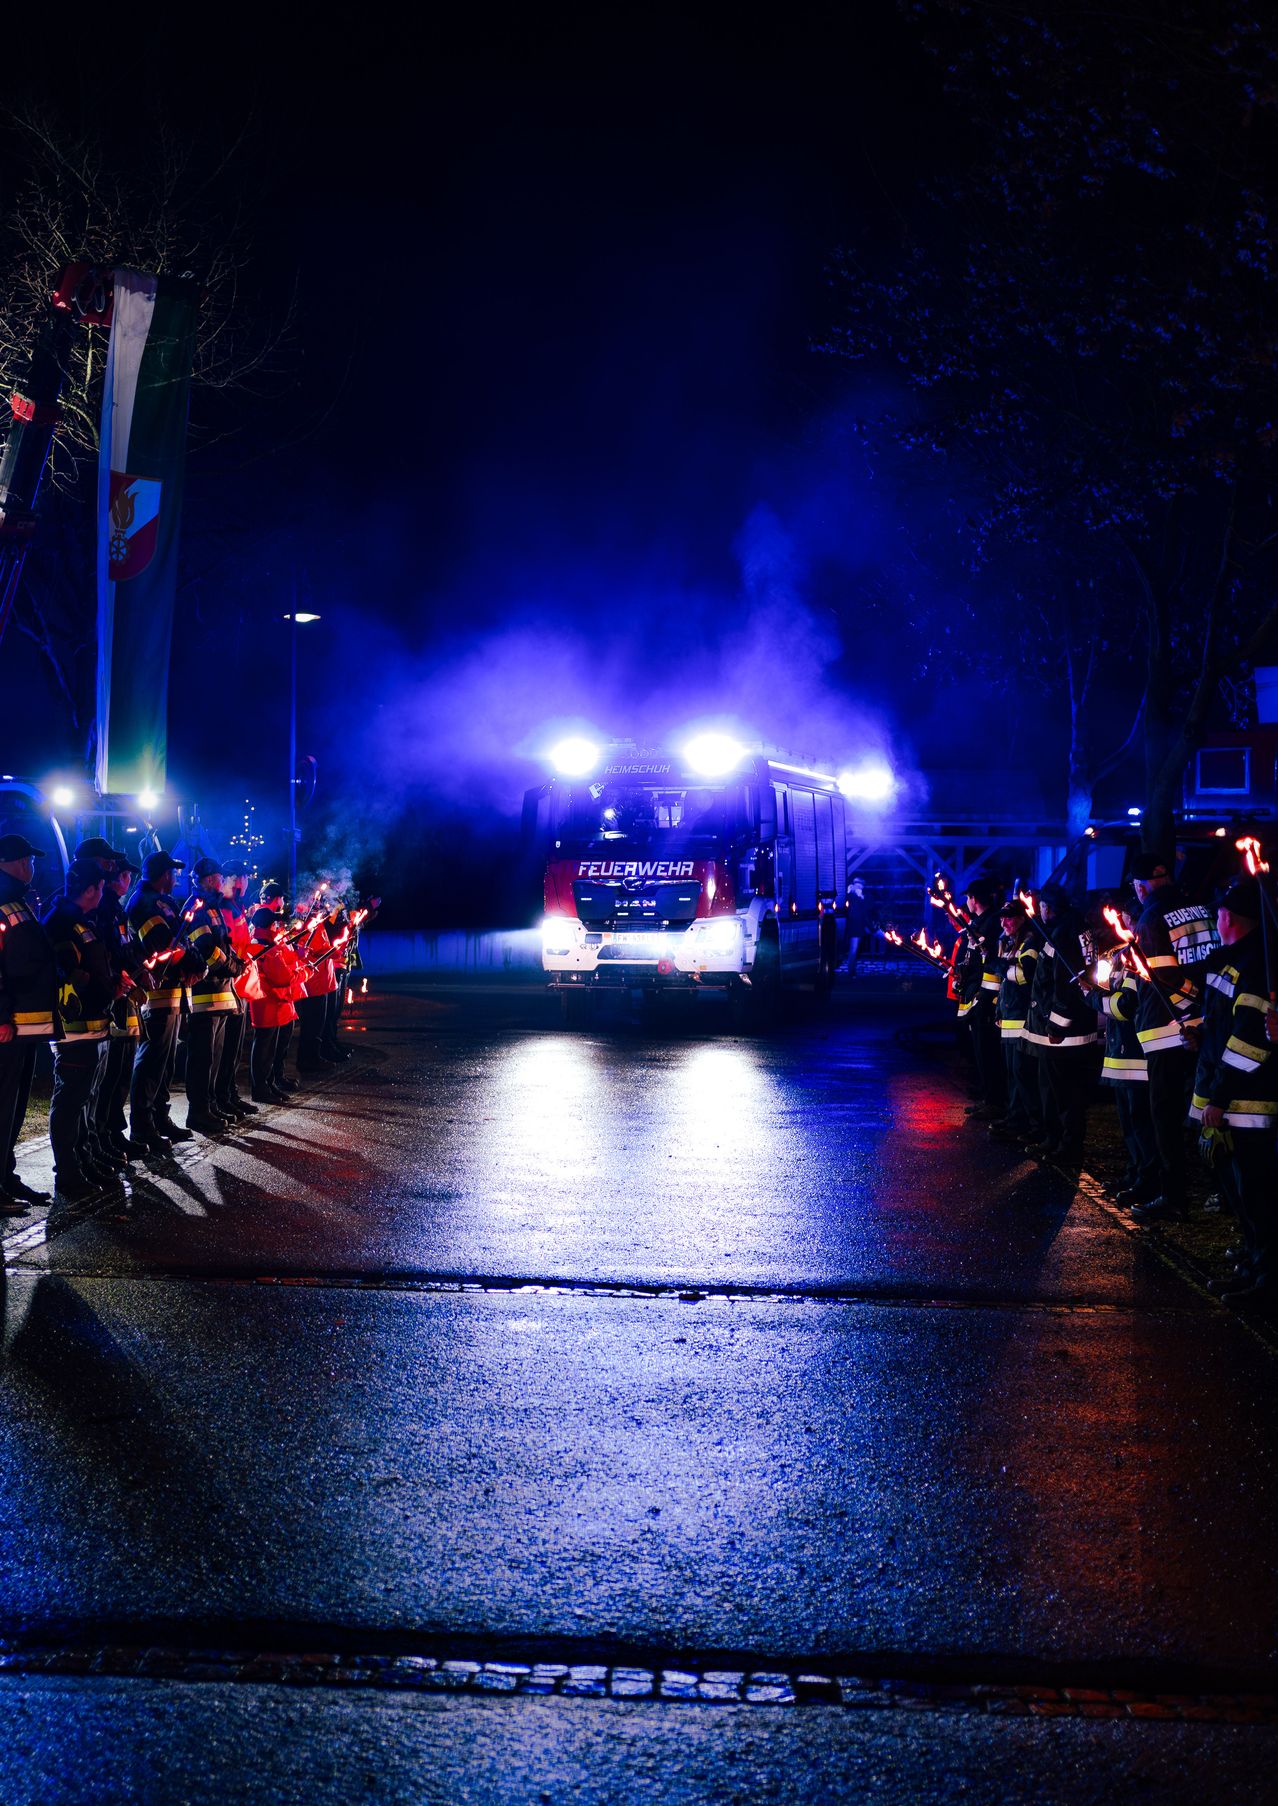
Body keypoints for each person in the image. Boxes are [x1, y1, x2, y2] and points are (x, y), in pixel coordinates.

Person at [1188, 877, 1276, 1299]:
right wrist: (1202, 1033)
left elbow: (1248, 1040)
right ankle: (1254, 1262)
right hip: (1230, 1096)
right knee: (1241, 1191)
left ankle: (1266, 1281)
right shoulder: (1232, 961)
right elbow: (1225, 1024)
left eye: (1218, 913)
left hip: (1249, 1100)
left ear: (1229, 917)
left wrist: (1220, 1097)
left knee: (1258, 1191)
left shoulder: (1257, 966)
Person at [1129, 852, 1220, 1222]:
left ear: (1141, 886)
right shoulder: (1197, 906)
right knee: (1200, 1110)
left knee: (1163, 1117)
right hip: (1205, 1024)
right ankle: (1219, 1191)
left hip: (1168, 1030)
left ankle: (1174, 1196)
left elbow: (1163, 975)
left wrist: (1186, 1004)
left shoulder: (1151, 917)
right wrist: (1201, 1005)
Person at [43, 859, 116, 1202]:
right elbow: (70, 973)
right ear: (90, 890)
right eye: (101, 888)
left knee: (86, 1100)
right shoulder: (61, 922)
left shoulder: (81, 921)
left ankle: (83, 1161)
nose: (103, 894)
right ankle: (68, 1174)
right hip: (74, 1029)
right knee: (71, 1101)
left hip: (95, 1025)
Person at [1079, 900, 1157, 1206]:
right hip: (1119, 1055)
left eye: (1124, 920)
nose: (1117, 926)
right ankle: (1134, 1173)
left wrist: (1094, 999)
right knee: (1128, 1123)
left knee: (1141, 1122)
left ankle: (1147, 1180)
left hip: (1135, 1056)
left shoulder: (1139, 959)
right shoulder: (1119, 957)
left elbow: (1125, 1006)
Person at [0, 832, 58, 1214]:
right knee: (2, 1105)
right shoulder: (4, 902)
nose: (33, 866)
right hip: (8, 1023)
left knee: (15, 1104)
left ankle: (6, 1175)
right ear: (16, 862)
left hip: (23, 1022)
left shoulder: (17, 900)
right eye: (29, 859)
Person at [1025, 884, 1102, 1167]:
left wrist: (1057, 1025)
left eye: (1042, 906)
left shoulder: (1063, 933)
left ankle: (1064, 1147)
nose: (1040, 911)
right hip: (1077, 1028)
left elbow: (1063, 984)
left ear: (1049, 907)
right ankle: (1056, 1140)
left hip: (1064, 1034)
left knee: (1062, 1093)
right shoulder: (1078, 928)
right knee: (1063, 1090)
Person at [127, 850, 196, 1153]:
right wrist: (192, 964)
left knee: (165, 1062)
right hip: (157, 993)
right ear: (163, 874)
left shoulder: (163, 902)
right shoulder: (145, 903)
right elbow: (164, 944)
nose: (177, 876)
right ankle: (142, 1126)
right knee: (152, 1061)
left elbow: (184, 939)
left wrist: (192, 961)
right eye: (173, 872)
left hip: (173, 991)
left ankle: (159, 1117)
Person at [181, 857, 243, 1133]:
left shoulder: (213, 908)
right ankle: (198, 1112)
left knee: (214, 1058)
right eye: (220, 877)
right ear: (209, 879)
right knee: (202, 1058)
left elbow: (223, 944)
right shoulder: (199, 908)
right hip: (204, 997)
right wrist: (232, 967)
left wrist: (236, 962)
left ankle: (210, 1106)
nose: (224, 882)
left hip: (219, 995)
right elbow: (206, 948)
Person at [93, 850, 146, 1164]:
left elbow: (126, 948)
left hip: (125, 997)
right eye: (122, 872)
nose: (126, 878)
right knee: (109, 1075)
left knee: (121, 1072)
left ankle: (112, 1133)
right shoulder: (102, 909)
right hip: (111, 1001)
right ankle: (101, 1137)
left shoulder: (116, 910)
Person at [990, 896, 1041, 1143]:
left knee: (1022, 1073)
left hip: (1022, 1017)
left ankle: (1030, 1124)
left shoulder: (1029, 943)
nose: (1004, 922)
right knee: (1012, 1072)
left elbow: (1026, 977)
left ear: (1022, 918)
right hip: (1009, 1016)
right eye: (1002, 918)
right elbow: (1004, 986)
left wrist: (1001, 966)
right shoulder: (1008, 943)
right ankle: (1014, 1118)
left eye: (1009, 917)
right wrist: (998, 1010)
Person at [956, 878, 1007, 1119]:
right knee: (978, 1048)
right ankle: (987, 1093)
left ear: (974, 899)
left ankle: (994, 1100)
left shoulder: (991, 924)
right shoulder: (979, 922)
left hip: (985, 995)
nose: (966, 902)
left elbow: (988, 962)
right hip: (975, 990)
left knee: (987, 1049)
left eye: (968, 897)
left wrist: (984, 997)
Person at [213, 862, 256, 1120]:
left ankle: (229, 1094)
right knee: (227, 1045)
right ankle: (222, 1096)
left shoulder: (234, 907)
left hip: (239, 981)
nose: (244, 882)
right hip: (231, 982)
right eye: (243, 876)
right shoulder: (224, 908)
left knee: (234, 1046)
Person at [245, 906, 298, 1102]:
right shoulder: (267, 948)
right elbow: (282, 977)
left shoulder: (256, 943)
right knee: (265, 1048)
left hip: (264, 1003)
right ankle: (260, 1088)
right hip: (269, 1003)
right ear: (270, 925)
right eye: (275, 923)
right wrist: (303, 972)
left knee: (266, 1046)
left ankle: (266, 1084)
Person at [259, 880, 299, 1090]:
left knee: (278, 1043)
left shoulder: (271, 929)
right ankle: (265, 1084)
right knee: (267, 1045)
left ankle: (274, 1079)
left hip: (281, 995)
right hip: (271, 995)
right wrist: (301, 971)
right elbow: (278, 971)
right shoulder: (263, 929)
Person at [846, 877, 869, 977]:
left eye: (861, 885)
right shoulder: (851, 895)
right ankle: (851, 971)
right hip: (854, 926)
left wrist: (861, 897)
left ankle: (852, 969)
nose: (860, 887)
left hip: (859, 926)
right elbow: (852, 910)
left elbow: (865, 910)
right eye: (858, 885)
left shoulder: (860, 896)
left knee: (856, 949)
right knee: (853, 949)